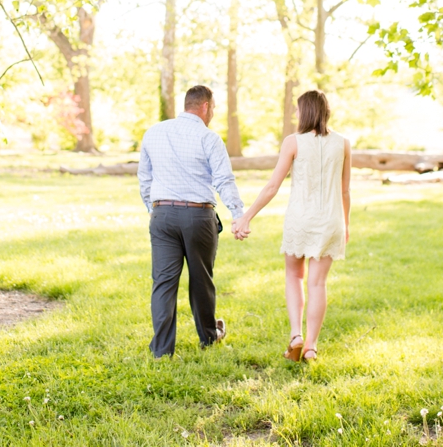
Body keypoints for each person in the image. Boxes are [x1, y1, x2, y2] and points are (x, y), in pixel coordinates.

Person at [232, 90, 351, 362]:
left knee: (294, 276)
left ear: (305, 111)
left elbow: (273, 185)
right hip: (330, 221)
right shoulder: (343, 143)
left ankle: (296, 334)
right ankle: (311, 347)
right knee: (318, 283)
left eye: (297, 110)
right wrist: (346, 224)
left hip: (300, 220)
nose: (296, 114)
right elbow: (345, 191)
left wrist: (246, 216)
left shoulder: (293, 142)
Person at [137, 84, 245, 358]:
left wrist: (155, 208)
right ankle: (209, 338)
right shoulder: (208, 138)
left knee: (163, 282)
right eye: (214, 108)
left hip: (162, 216)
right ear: (205, 107)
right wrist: (238, 214)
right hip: (198, 216)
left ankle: (162, 351)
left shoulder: (154, 132)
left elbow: (144, 178)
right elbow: (224, 180)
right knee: (201, 279)